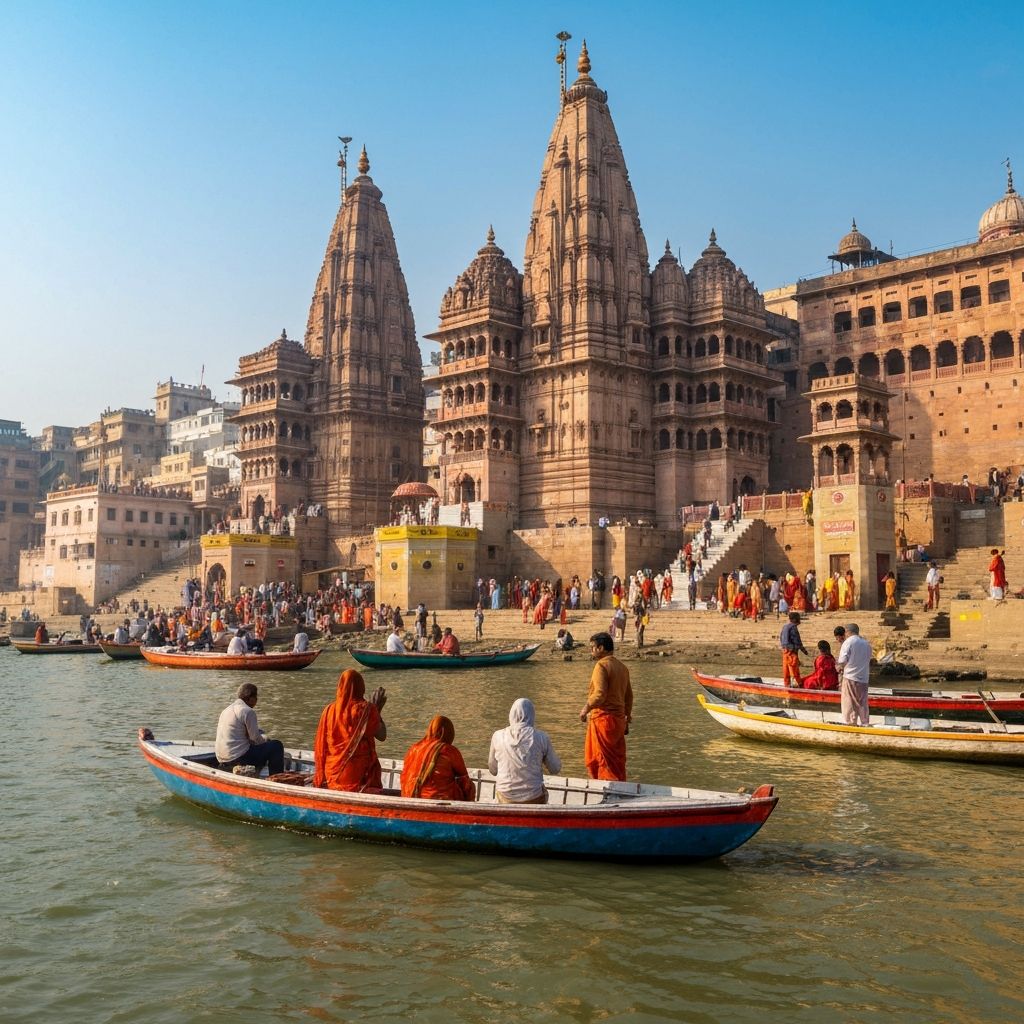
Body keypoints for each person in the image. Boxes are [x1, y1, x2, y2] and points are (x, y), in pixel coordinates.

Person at [313, 669, 387, 792]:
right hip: (358, 779)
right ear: (361, 687)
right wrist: (377, 710)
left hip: (332, 777)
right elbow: (382, 735)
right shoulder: (365, 710)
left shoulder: (328, 710)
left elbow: (322, 747)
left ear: (340, 687)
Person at [487, 697, 561, 804]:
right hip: (534, 798)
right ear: (532, 716)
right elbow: (555, 769)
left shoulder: (498, 736)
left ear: (511, 715)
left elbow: (493, 770)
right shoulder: (542, 737)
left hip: (505, 798)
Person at [581, 632, 633, 781]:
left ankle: (607, 790)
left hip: (603, 721)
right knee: (616, 763)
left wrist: (586, 708)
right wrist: (627, 719)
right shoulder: (623, 668)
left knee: (602, 762)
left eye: (593, 647)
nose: (591, 651)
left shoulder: (601, 665)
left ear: (601, 648)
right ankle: (619, 788)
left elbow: (600, 694)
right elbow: (629, 697)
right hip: (618, 722)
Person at [401, 715, 475, 801]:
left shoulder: (414, 749)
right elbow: (464, 781)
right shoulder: (449, 750)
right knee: (469, 785)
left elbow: (404, 776)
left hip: (409, 797)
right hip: (440, 798)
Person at [215, 682, 284, 775]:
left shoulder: (226, 710)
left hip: (222, 759)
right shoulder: (247, 711)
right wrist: (266, 741)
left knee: (262, 739)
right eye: (256, 697)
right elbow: (255, 739)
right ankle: (277, 777)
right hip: (239, 758)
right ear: (250, 698)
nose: (256, 700)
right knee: (276, 746)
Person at [837, 623, 872, 725]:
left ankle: (850, 723)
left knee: (849, 703)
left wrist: (839, 668)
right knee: (862, 703)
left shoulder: (848, 642)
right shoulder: (866, 643)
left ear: (847, 632)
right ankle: (865, 723)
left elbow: (842, 661)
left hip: (850, 676)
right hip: (864, 679)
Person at [779, 611, 809, 687]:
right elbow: (797, 641)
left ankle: (787, 685)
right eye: (799, 618)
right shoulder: (793, 627)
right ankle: (798, 685)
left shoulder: (785, 626)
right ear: (795, 619)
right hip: (791, 652)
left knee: (786, 670)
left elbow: (781, 638)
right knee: (794, 670)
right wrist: (804, 650)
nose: (800, 620)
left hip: (785, 651)